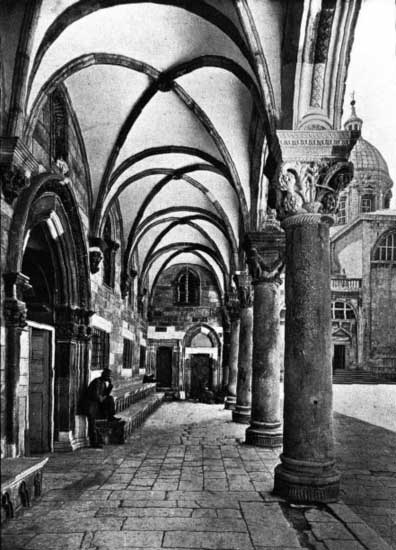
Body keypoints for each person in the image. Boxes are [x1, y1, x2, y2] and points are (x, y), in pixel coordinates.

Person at [86, 368, 116, 448]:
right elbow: (95, 396)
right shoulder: (97, 382)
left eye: (109, 376)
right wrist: (102, 398)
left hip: (97, 404)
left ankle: (111, 416)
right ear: (103, 375)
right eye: (108, 375)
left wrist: (110, 386)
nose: (109, 377)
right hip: (91, 405)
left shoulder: (103, 382)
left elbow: (105, 394)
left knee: (110, 398)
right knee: (92, 424)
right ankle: (93, 442)